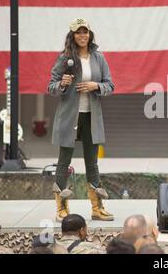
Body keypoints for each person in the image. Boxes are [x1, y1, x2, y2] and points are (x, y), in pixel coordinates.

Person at [48, 18, 115, 222]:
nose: (82, 36)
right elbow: (51, 87)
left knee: (92, 163)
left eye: (85, 32)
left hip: (91, 117)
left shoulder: (98, 58)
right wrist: (62, 83)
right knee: (63, 162)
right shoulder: (65, 58)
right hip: (70, 117)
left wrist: (96, 86)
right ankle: (61, 208)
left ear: (90, 34)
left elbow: (110, 86)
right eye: (78, 32)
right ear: (72, 35)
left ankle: (97, 208)